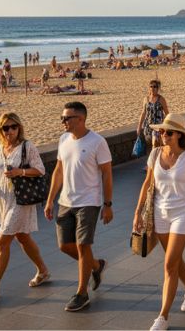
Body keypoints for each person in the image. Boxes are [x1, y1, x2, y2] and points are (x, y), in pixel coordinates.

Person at [134, 114, 185, 331]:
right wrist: (137, 212)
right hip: (159, 214)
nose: (163, 135)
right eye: (161, 131)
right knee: (175, 260)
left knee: (169, 264)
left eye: (168, 132)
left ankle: (163, 317)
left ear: (179, 135)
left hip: (182, 214)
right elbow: (147, 183)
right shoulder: (155, 154)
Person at [0, 113, 50, 304]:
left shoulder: (27, 146)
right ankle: (43, 270)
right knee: (22, 237)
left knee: (3, 241)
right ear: (0, 130)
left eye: (13, 127)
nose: (10, 131)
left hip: (20, 200)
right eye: (5, 128)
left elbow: (40, 170)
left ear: (19, 127)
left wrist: (20, 172)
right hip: (3, 201)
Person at [44, 101, 113, 312]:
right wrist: (50, 200)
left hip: (89, 202)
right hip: (65, 202)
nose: (63, 121)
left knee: (83, 246)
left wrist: (107, 204)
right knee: (65, 246)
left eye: (67, 118)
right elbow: (58, 170)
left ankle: (82, 293)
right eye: (62, 118)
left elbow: (107, 174)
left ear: (81, 119)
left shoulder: (97, 142)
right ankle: (95, 266)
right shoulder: (63, 139)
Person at [137, 79, 169, 150]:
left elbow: (167, 113)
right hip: (148, 127)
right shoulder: (146, 99)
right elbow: (143, 113)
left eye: (155, 87)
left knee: (155, 145)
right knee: (149, 146)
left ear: (158, 88)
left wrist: (167, 126)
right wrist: (139, 127)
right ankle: (152, 160)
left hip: (158, 126)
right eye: (151, 86)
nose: (153, 88)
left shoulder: (161, 99)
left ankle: (158, 159)